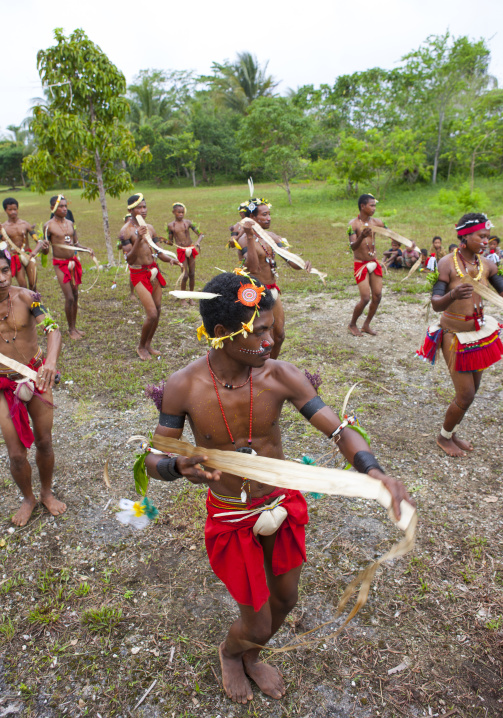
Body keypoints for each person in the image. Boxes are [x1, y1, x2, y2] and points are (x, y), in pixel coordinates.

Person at [144, 270, 413, 704]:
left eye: (272, 328)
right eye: (261, 331)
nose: (271, 341)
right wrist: (177, 466)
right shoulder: (184, 387)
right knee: (256, 622)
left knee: (285, 600)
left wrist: (373, 469)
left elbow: (339, 430)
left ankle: (253, 655)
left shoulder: (280, 375)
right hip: (232, 515)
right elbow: (152, 460)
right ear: (221, 333)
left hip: (282, 504)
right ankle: (234, 654)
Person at [416, 213, 503, 457]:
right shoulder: (446, 263)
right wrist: (453, 296)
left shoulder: (487, 264)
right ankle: (443, 438)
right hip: (454, 335)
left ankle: (451, 432)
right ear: (465, 238)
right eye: (481, 236)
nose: (486, 241)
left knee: (472, 392)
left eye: (488, 236)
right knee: (465, 394)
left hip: (478, 335)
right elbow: (436, 303)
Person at [0, 249, 65, 526]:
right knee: (15, 453)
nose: (1, 278)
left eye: (4, 270)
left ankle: (46, 492)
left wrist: (50, 362)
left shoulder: (28, 297)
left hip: (37, 376)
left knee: (45, 441)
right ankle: (28, 498)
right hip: (3, 385)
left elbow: (52, 329)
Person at [236, 198, 311, 359]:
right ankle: (258, 370)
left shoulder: (273, 237)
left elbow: (291, 261)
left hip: (272, 290)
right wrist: (250, 236)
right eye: (264, 214)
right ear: (253, 218)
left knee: (279, 336)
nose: (269, 218)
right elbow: (253, 267)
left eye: (269, 214)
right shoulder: (243, 240)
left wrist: (302, 264)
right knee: (263, 337)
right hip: (255, 293)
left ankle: (270, 367)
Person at [123, 193, 180, 360]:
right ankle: (140, 347)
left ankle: (148, 343)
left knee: (158, 309)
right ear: (130, 210)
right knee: (152, 314)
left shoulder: (151, 228)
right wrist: (139, 239)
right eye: (138, 208)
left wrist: (172, 260)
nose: (142, 210)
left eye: (144, 207)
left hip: (153, 271)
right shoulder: (125, 231)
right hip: (138, 273)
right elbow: (129, 259)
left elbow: (158, 251)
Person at [43, 195, 95, 340]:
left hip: (73, 262)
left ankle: (75, 327)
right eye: (61, 206)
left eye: (65, 206)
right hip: (60, 264)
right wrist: (45, 248)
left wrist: (87, 249)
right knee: (70, 297)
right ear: (52, 208)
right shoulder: (48, 226)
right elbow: (46, 250)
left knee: (76, 295)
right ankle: (71, 329)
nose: (64, 209)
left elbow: (76, 244)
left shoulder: (71, 223)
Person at [347, 194, 385, 336]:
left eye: (375, 205)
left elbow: (390, 233)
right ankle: (352, 324)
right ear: (363, 206)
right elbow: (353, 246)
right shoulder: (353, 225)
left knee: (377, 295)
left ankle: (366, 325)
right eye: (372, 205)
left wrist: (405, 242)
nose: (374, 208)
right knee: (365, 298)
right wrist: (362, 236)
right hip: (361, 265)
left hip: (374, 263)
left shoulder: (377, 222)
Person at [1, 197, 46, 290]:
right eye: (10, 209)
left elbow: (38, 241)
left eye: (15, 209)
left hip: (28, 255)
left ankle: (35, 303)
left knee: (33, 285)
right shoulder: (3, 228)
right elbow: (2, 246)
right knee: (23, 286)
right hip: (15, 258)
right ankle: (27, 303)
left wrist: (34, 252)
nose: (13, 212)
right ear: (5, 210)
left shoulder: (25, 224)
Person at [167, 202, 204, 302]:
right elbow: (170, 242)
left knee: (192, 274)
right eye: (178, 212)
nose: (181, 214)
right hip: (181, 250)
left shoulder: (188, 223)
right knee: (185, 275)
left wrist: (197, 242)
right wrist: (166, 241)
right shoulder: (171, 226)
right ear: (173, 212)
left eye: (182, 212)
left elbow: (201, 234)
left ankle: (190, 297)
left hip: (191, 249)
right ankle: (183, 298)